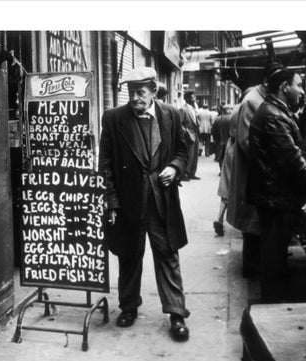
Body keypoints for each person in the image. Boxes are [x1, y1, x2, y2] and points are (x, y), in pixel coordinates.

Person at [99, 67, 190, 341]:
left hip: (161, 202)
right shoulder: (114, 119)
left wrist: (174, 167)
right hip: (129, 202)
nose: (135, 98)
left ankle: (176, 313)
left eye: (140, 92)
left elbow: (183, 151)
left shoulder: (171, 115)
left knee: (167, 254)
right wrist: (112, 202)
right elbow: (105, 165)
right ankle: (128, 306)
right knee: (129, 255)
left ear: (153, 91)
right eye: (131, 93)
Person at [247, 68, 306, 301]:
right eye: (299, 85)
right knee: (273, 254)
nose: (303, 92)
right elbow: (292, 160)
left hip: (274, 196)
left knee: (274, 252)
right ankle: (272, 303)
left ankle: (273, 296)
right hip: (276, 198)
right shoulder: (274, 115)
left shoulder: (275, 111)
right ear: (285, 86)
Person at [226, 61, 284, 276]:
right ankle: (251, 269)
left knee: (257, 224)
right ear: (268, 81)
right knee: (252, 224)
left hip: (260, 172)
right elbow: (246, 141)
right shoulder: (253, 101)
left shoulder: (266, 98)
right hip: (253, 173)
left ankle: (256, 266)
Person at [212, 104, 234, 237]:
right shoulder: (234, 118)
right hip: (235, 148)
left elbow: (213, 131)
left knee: (226, 184)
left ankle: (219, 218)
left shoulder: (219, 119)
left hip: (225, 146)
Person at [179, 91, 200, 180]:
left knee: (195, 155)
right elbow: (179, 123)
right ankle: (185, 174)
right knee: (189, 154)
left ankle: (192, 173)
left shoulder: (193, 108)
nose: (194, 99)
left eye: (194, 97)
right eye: (192, 97)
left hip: (195, 134)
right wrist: (186, 132)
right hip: (189, 135)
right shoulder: (183, 109)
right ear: (187, 99)